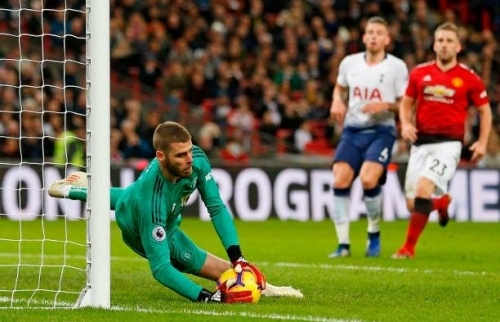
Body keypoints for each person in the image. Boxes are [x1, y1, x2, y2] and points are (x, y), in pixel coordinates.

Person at [47, 121, 302, 302]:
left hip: (150, 205)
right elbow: (161, 269)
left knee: (126, 195)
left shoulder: (197, 160)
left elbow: (216, 207)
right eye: (181, 155)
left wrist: (238, 257)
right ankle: (75, 191)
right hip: (139, 223)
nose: (189, 158)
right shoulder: (151, 202)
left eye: (189, 150)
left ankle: (259, 284)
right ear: (161, 156)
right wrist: (205, 297)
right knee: (184, 259)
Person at [392, 22, 492, 259]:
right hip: (420, 143)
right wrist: (405, 124)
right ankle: (442, 203)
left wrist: (482, 142)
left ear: (458, 47)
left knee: (423, 189)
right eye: (441, 40)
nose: (444, 45)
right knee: (413, 204)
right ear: (434, 44)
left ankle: (408, 248)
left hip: (449, 145)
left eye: (449, 41)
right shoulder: (419, 73)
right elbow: (406, 102)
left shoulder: (469, 77)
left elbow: (485, 110)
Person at [328, 16, 409, 258]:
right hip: (352, 131)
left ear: (387, 39)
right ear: (364, 37)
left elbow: (406, 103)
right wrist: (336, 102)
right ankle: (343, 245)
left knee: (367, 179)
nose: (373, 36)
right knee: (340, 180)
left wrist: (385, 105)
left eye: (378, 33)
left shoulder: (397, 67)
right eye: (370, 32)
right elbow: (340, 87)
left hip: (381, 131)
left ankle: (373, 231)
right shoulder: (349, 63)